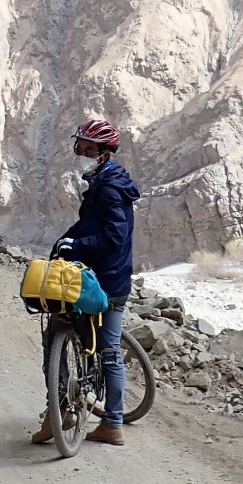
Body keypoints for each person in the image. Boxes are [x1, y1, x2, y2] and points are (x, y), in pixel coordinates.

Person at [33, 117, 139, 447]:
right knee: (107, 349)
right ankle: (111, 422)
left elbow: (112, 236)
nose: (81, 152)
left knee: (59, 334)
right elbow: (86, 225)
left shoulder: (107, 189)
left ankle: (61, 411)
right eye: (79, 146)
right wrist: (64, 242)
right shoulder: (106, 181)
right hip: (112, 276)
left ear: (104, 153)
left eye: (87, 148)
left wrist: (75, 247)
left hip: (102, 278)